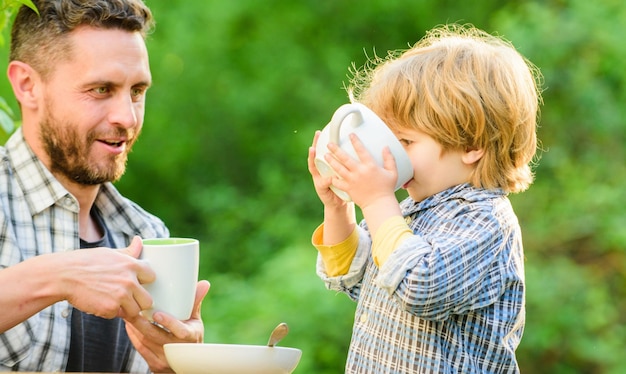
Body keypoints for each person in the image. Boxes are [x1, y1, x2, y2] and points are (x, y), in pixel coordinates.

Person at [307, 24, 542, 373]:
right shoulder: (412, 209)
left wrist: (375, 201)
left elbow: (420, 286)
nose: (391, 154)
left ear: (471, 146)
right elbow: (350, 274)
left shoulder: (485, 221)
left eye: (406, 143)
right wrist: (340, 206)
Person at [0, 0, 210, 372]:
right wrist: (58, 276)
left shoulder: (147, 234)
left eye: (136, 91)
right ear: (28, 85)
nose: (127, 118)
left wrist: (177, 366)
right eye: (100, 89)